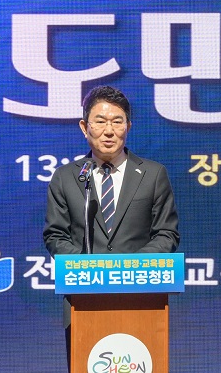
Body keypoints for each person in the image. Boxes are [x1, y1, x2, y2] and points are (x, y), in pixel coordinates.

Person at [44, 85, 179, 257]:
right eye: (100, 122)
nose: (109, 131)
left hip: (136, 273)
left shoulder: (153, 175)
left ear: (128, 127)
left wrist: (128, 267)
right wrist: (88, 267)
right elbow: (55, 236)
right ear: (84, 127)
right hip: (86, 273)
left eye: (117, 122)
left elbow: (166, 234)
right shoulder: (65, 177)